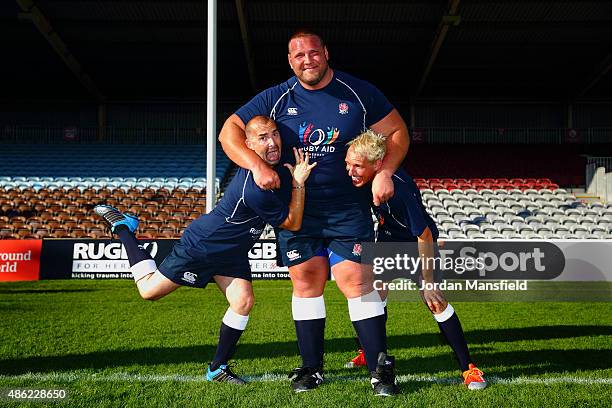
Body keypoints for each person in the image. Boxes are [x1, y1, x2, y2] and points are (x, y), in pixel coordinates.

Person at [218, 29, 409, 396]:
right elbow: (230, 132)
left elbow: (398, 131)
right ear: (291, 62)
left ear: (326, 53)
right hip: (297, 209)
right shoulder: (276, 98)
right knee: (306, 284)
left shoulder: (357, 92)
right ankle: (311, 369)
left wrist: (384, 171)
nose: (308, 60)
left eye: (313, 53)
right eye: (299, 56)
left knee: (357, 282)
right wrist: (256, 167)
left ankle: (380, 372)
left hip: (347, 209)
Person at [94, 116, 316, 385]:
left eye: (275, 134)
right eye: (262, 137)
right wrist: (299, 183)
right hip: (204, 246)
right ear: (248, 145)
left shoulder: (271, 169)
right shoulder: (254, 188)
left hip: (232, 252)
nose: (272, 142)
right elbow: (292, 223)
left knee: (243, 301)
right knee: (148, 291)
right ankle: (124, 229)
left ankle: (217, 368)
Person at [344, 129, 488, 390]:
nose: (350, 171)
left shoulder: (399, 188)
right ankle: (371, 352)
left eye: (356, 165)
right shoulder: (362, 182)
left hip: (418, 243)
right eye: (348, 164)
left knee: (434, 300)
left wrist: (429, 280)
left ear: (377, 165)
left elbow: (423, 236)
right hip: (388, 240)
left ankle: (469, 368)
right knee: (371, 293)